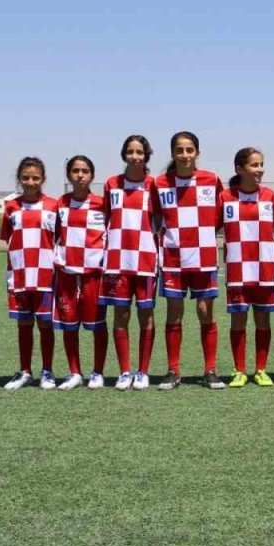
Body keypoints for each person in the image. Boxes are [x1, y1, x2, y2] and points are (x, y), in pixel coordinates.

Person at [156, 131, 224, 389]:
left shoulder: (211, 179)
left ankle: (210, 370)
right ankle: (173, 371)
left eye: (189, 150)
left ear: (197, 152)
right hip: (173, 258)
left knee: (205, 312)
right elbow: (156, 216)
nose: (185, 155)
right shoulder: (160, 183)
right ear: (173, 153)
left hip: (204, 256)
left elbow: (218, 216)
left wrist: (203, 235)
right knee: (174, 313)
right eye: (179, 150)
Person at [100, 135, 159, 391]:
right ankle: (124, 371)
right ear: (124, 154)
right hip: (118, 261)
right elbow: (104, 218)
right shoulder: (112, 183)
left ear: (146, 156)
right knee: (120, 315)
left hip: (146, 259)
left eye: (139, 152)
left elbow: (160, 220)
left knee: (146, 315)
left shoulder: (154, 184)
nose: (135, 156)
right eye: (130, 151)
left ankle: (143, 371)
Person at [219, 148, 274, 387]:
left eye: (261, 164)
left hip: (265, 268)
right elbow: (212, 225)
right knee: (238, 322)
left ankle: (261, 369)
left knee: (263, 322)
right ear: (239, 169)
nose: (260, 169)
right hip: (236, 270)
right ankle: (239, 370)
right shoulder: (225, 198)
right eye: (254, 165)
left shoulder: (271, 196)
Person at [0, 157, 59, 390]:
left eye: (35, 177)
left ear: (43, 179)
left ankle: (47, 371)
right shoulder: (11, 206)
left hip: (46, 274)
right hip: (20, 274)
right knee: (24, 323)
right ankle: (25, 371)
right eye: (25, 177)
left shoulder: (54, 205)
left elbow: (59, 238)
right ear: (19, 179)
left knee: (45, 324)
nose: (30, 182)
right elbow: (8, 239)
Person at [52, 155, 108, 390]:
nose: (80, 175)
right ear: (68, 175)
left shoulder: (102, 204)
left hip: (94, 274)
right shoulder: (59, 204)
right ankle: (74, 371)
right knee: (69, 324)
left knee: (98, 325)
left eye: (85, 171)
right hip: (66, 273)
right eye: (75, 171)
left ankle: (97, 372)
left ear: (92, 175)